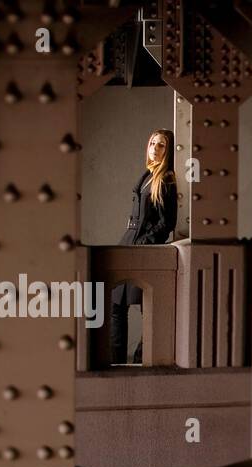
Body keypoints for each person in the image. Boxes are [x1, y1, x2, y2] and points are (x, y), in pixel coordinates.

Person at [110, 128, 178, 364]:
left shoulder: (166, 179)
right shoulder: (146, 176)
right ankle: (116, 358)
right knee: (116, 303)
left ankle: (141, 356)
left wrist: (144, 242)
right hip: (129, 243)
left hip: (144, 248)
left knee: (147, 307)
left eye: (161, 145)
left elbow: (167, 222)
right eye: (152, 143)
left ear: (168, 151)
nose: (155, 149)